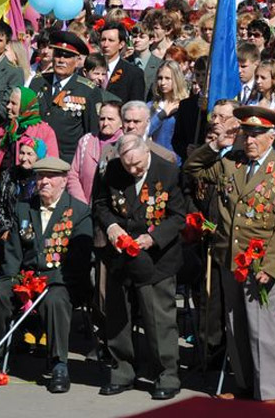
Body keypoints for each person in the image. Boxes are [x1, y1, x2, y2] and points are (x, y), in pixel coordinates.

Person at [184, 106, 275, 403]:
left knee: (264, 329)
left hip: (260, 262)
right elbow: (192, 169)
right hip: (228, 258)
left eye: (257, 135)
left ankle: (270, 393)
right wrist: (216, 144)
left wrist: (273, 266)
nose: (250, 141)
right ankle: (246, 384)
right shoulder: (230, 163)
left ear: (271, 137)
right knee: (235, 326)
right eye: (246, 134)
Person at [0, 156, 93, 393]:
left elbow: (78, 261)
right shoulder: (24, 207)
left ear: (63, 180)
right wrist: (12, 280)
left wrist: (49, 282)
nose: (44, 181)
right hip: (26, 277)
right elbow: (14, 253)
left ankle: (58, 364)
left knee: (55, 300)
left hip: (61, 279)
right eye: (40, 176)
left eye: (50, 177)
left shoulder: (79, 212)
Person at [94, 135, 186, 400]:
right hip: (121, 255)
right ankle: (122, 371)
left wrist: (154, 237)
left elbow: (178, 215)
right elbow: (100, 204)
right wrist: (111, 227)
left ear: (147, 151)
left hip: (156, 258)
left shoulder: (167, 171)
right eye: (127, 166)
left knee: (159, 321)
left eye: (137, 164)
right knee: (118, 317)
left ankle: (167, 375)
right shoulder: (112, 170)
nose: (133, 170)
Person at [0, 86, 58, 233]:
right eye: (8, 102)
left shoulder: (44, 132)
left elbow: (51, 170)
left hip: (29, 202)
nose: (8, 107)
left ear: (26, 106)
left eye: (13, 104)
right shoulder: (3, 130)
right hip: (1, 202)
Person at [30, 31, 101, 163]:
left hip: (66, 162)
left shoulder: (88, 90)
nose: (61, 60)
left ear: (77, 60)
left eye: (67, 57)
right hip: (36, 157)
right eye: (58, 55)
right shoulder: (38, 82)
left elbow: (91, 133)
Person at [67, 101, 123, 205]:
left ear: (121, 122)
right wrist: (81, 203)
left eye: (110, 119)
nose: (105, 123)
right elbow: (73, 174)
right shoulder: (86, 141)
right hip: (83, 205)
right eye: (102, 119)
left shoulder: (126, 144)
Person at [147, 60, 188, 160]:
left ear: (177, 79)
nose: (163, 82)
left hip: (175, 161)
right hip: (154, 158)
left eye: (168, 78)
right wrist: (162, 114)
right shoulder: (151, 105)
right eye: (160, 78)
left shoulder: (185, 105)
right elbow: (145, 131)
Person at [99, 21, 145, 104]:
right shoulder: (89, 68)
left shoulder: (133, 73)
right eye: (103, 40)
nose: (105, 44)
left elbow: (136, 106)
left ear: (121, 44)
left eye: (111, 40)